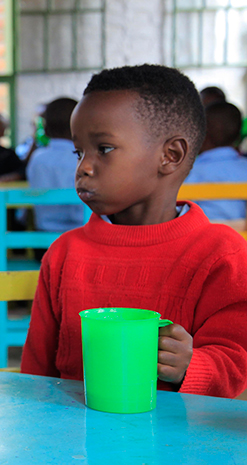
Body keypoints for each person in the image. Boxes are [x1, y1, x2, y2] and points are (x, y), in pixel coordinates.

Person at [21, 64, 247, 399]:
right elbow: (37, 374)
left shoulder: (222, 255)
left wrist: (192, 364)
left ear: (170, 156)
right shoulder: (65, 252)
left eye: (104, 149)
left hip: (179, 445)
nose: (83, 167)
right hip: (72, 443)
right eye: (78, 151)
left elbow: (236, 366)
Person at [25, 97, 87, 232]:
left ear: (45, 130)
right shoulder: (83, 158)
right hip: (82, 236)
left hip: (44, 236)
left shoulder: (36, 159)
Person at [184, 101, 247, 220]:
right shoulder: (245, 168)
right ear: (238, 136)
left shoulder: (189, 172)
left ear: (202, 134)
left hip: (205, 237)